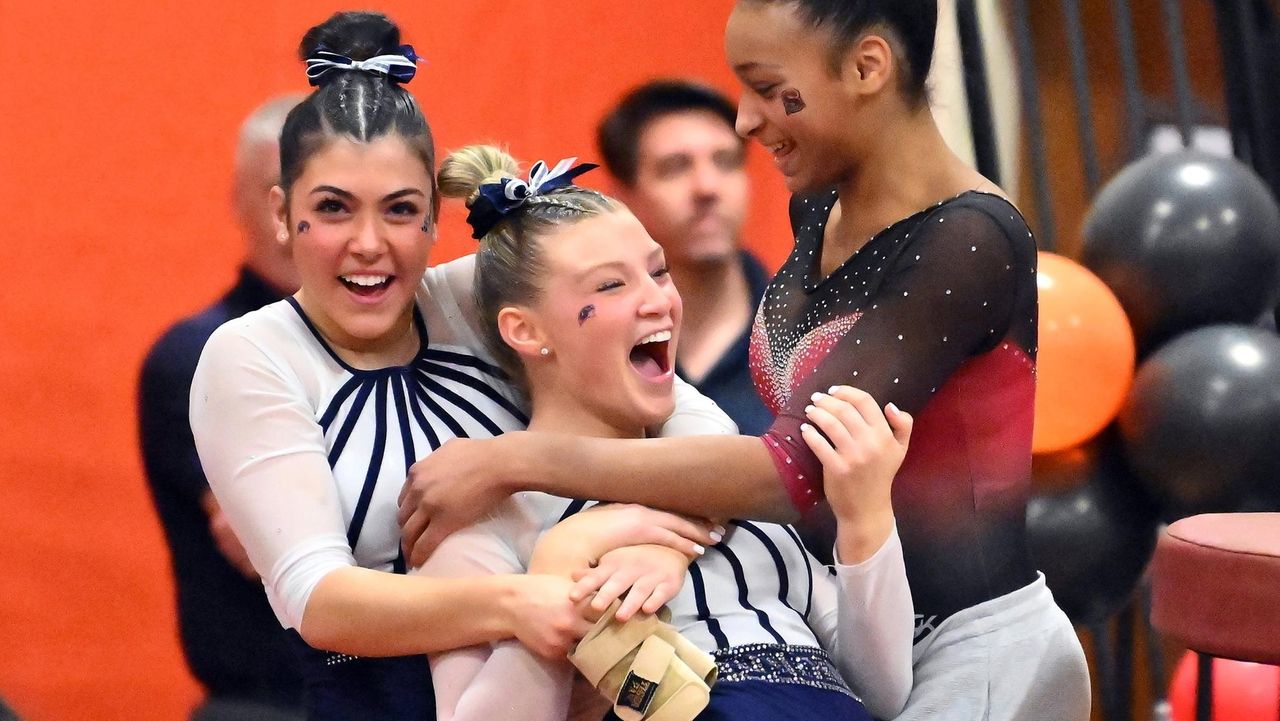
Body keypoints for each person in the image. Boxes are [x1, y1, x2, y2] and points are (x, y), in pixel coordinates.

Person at [397, 1, 1092, 719]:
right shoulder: (818, 209)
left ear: (867, 68)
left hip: (970, 647)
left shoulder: (971, 241)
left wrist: (517, 460)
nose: (746, 120)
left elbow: (787, 469)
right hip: (860, 632)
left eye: (770, 89)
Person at [189, 11, 727, 721]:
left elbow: (701, 435)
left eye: (401, 210)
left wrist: (529, 471)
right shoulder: (251, 355)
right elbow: (319, 598)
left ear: (434, 223)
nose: (370, 243)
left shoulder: (474, 297)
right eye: (334, 209)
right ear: (284, 214)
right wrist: (528, 596)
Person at [421, 145, 913, 721]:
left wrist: (865, 519)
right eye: (609, 287)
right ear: (525, 330)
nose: (658, 301)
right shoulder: (489, 526)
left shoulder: (730, 491)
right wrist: (560, 566)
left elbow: (881, 690)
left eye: (658, 271)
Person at [140, 93, 306, 721]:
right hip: (273, 704)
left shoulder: (410, 351)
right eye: (277, 193)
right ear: (239, 202)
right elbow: (272, 544)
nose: (299, 219)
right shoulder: (200, 356)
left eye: (330, 199)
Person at [597, 80, 773, 435]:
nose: (707, 187)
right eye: (675, 167)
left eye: (725, 162)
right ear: (621, 199)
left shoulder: (810, 336)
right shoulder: (593, 351)